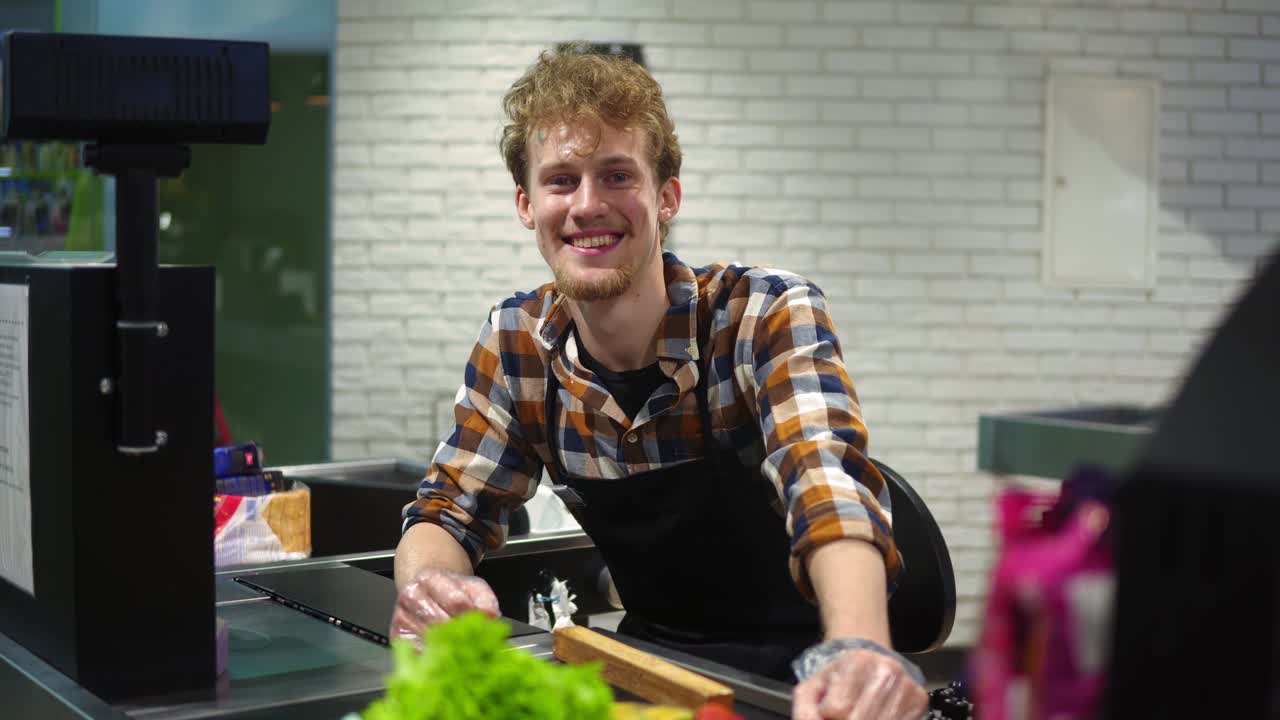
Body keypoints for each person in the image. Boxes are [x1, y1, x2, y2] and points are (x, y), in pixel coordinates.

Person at [390, 45, 928, 720]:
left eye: (618, 176)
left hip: (801, 679)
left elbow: (829, 487)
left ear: (665, 196)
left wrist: (857, 647)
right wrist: (429, 587)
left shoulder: (760, 312)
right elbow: (447, 511)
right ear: (527, 205)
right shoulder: (516, 340)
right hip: (649, 673)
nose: (588, 205)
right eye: (561, 181)